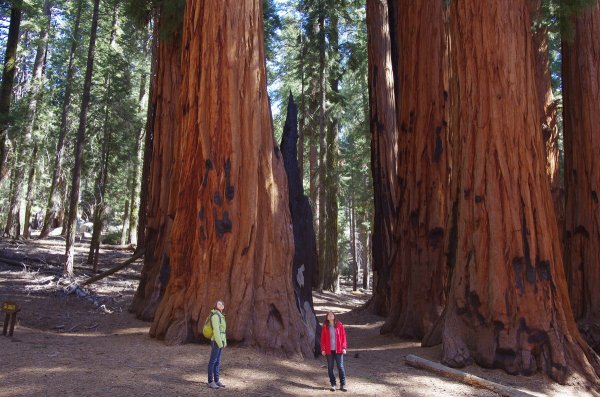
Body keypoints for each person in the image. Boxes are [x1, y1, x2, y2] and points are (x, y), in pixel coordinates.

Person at [320, 311, 347, 392]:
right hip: (329, 350)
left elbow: (343, 337)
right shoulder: (325, 326)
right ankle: (333, 384)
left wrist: (344, 347)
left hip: (338, 349)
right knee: (330, 367)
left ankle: (343, 384)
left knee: (340, 367)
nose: (330, 316)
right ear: (327, 317)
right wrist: (323, 349)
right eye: (329, 315)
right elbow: (322, 339)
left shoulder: (339, 325)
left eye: (332, 314)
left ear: (334, 316)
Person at [207, 300, 227, 389]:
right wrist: (219, 343)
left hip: (220, 341)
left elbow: (223, 331)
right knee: (213, 361)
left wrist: (224, 342)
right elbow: (216, 330)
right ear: (215, 306)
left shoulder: (221, 316)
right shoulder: (215, 316)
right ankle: (210, 381)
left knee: (217, 362)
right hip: (216, 341)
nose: (221, 304)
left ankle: (217, 380)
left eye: (222, 303)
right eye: (219, 303)